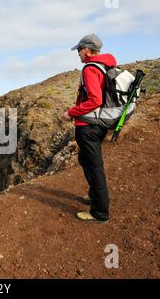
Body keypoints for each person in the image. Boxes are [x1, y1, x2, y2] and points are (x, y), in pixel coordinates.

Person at [63, 33, 116, 222]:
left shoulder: (90, 69)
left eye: (79, 50)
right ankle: (95, 195)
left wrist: (72, 112)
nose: (78, 53)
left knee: (95, 167)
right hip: (98, 124)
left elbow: (95, 99)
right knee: (85, 159)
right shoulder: (105, 65)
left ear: (87, 50)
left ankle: (99, 212)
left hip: (89, 126)